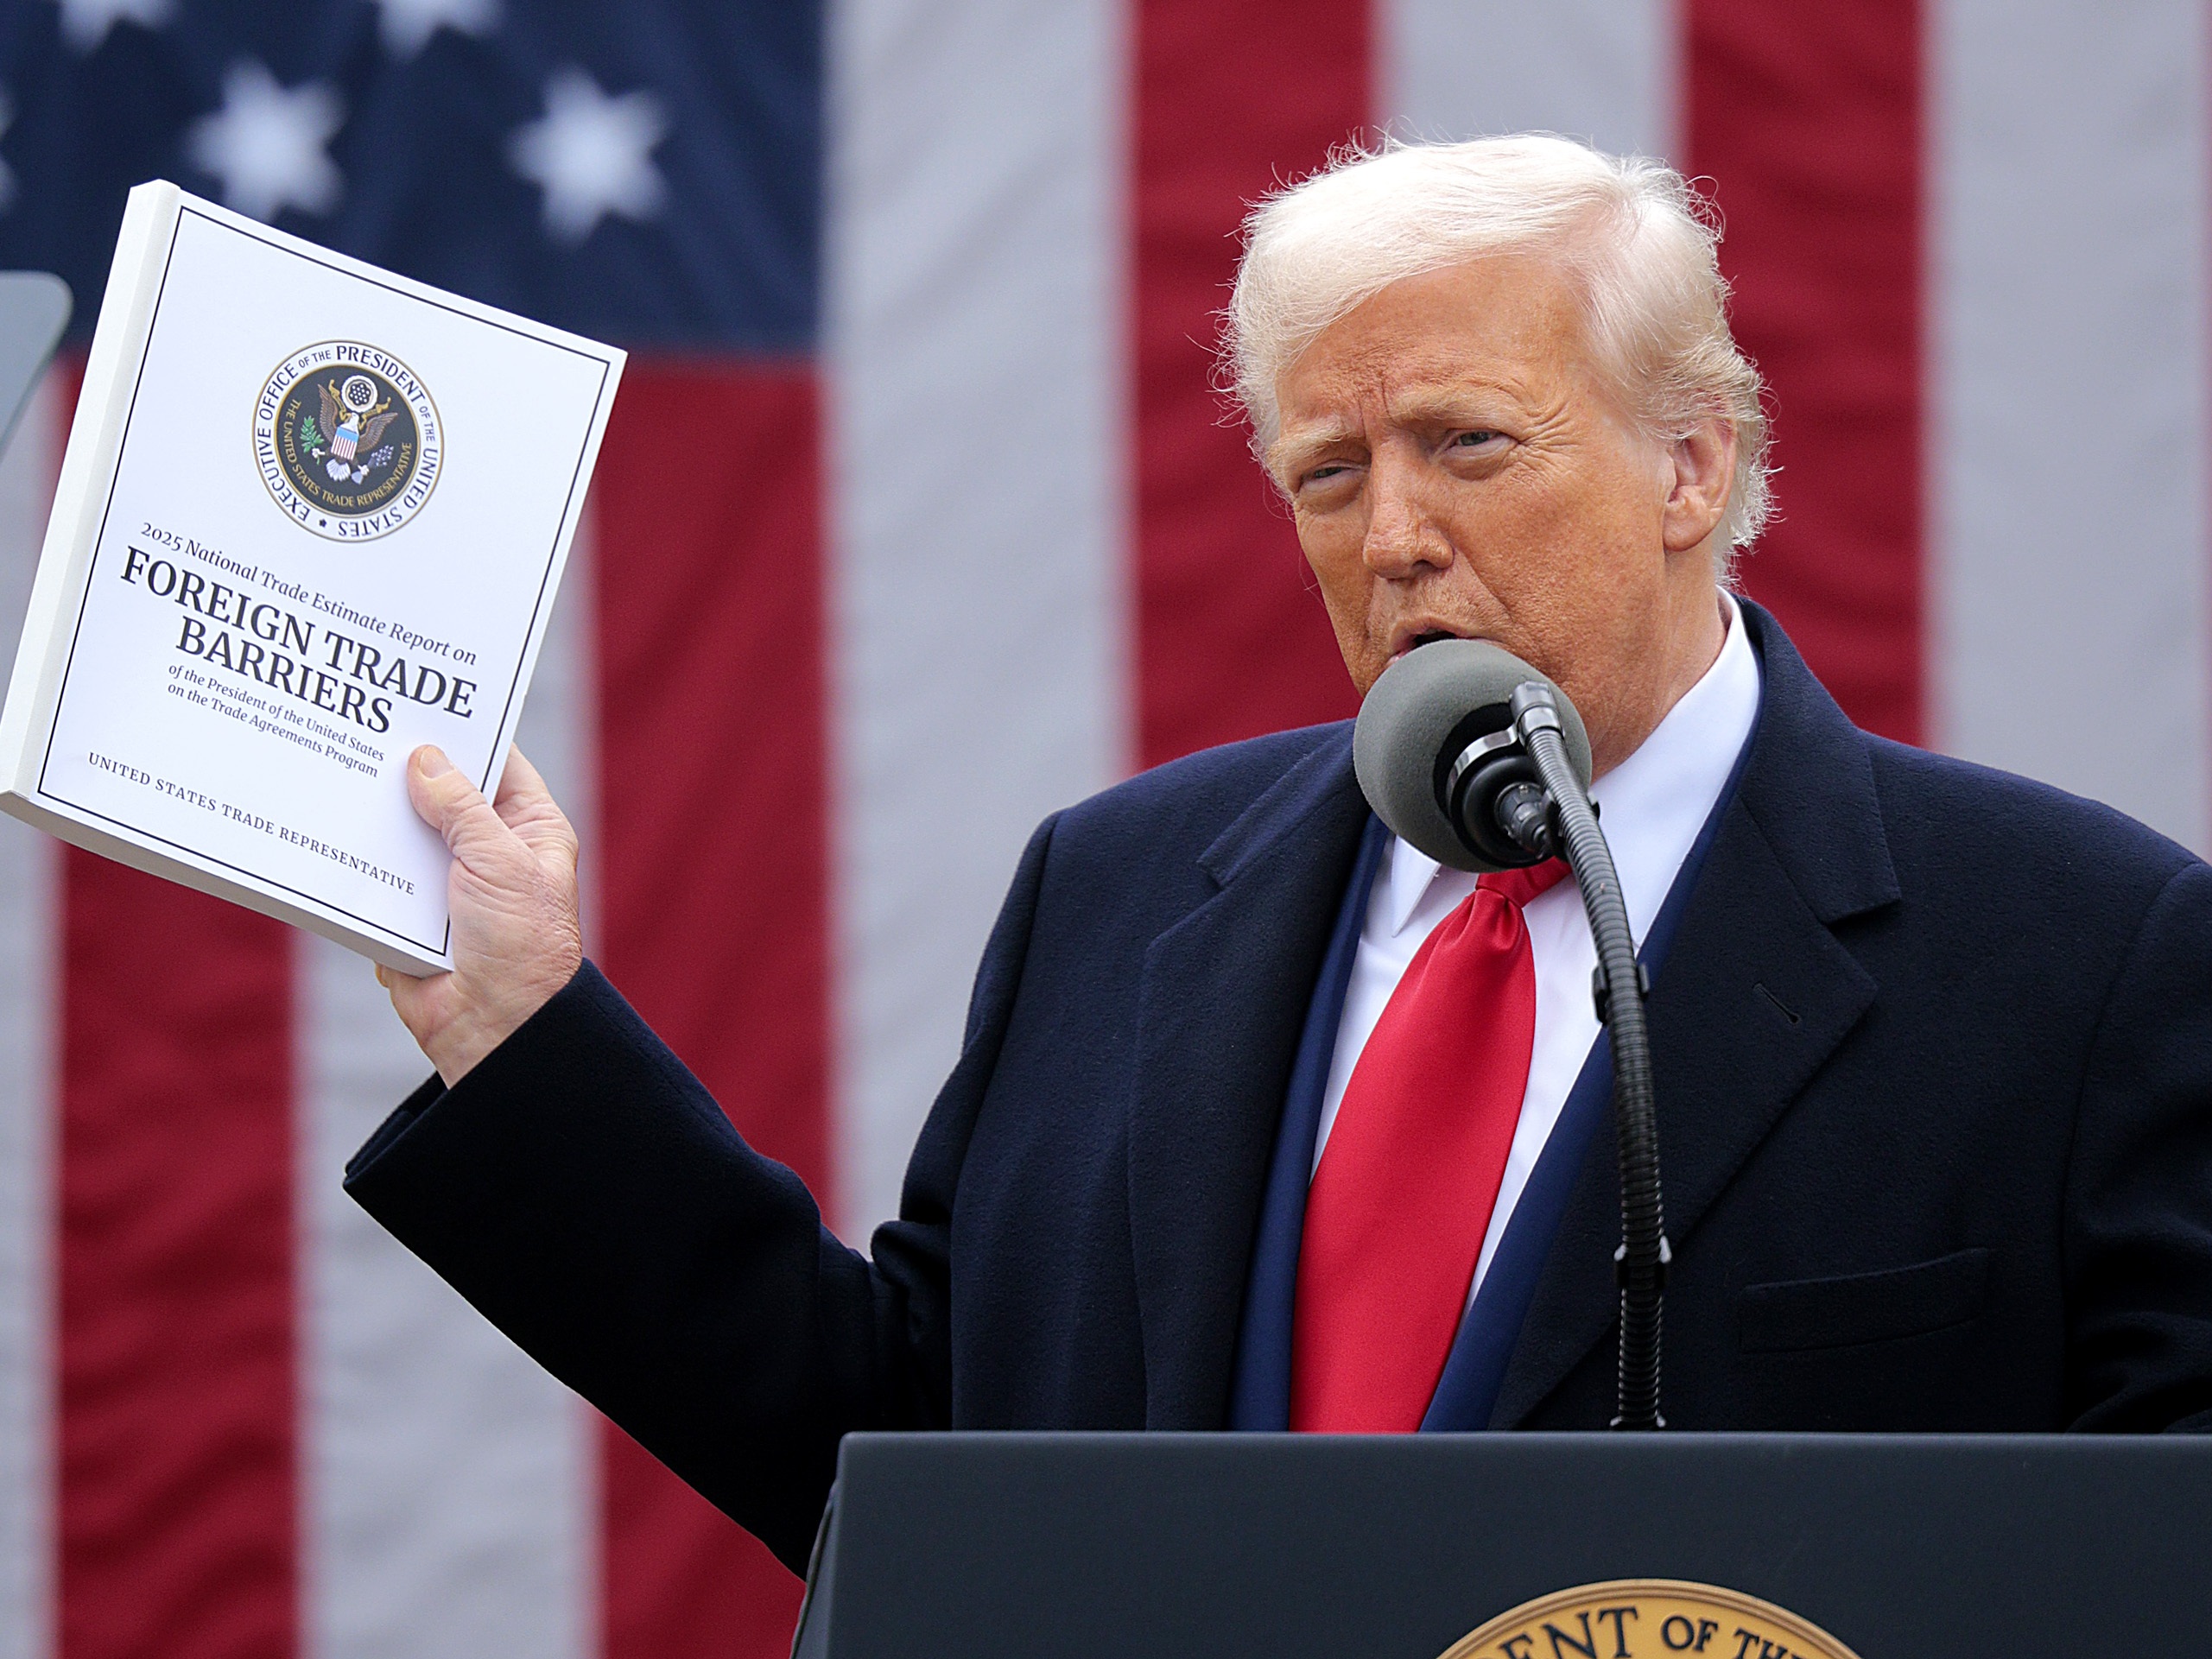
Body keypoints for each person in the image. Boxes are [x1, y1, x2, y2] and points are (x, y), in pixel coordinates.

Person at [348, 136, 2212, 1575]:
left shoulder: (2079, 956)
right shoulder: (1119, 892)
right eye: (1329, 473)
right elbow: (906, 1462)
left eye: (1468, 444)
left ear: (1690, 466)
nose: (1394, 532)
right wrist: (526, 1036)